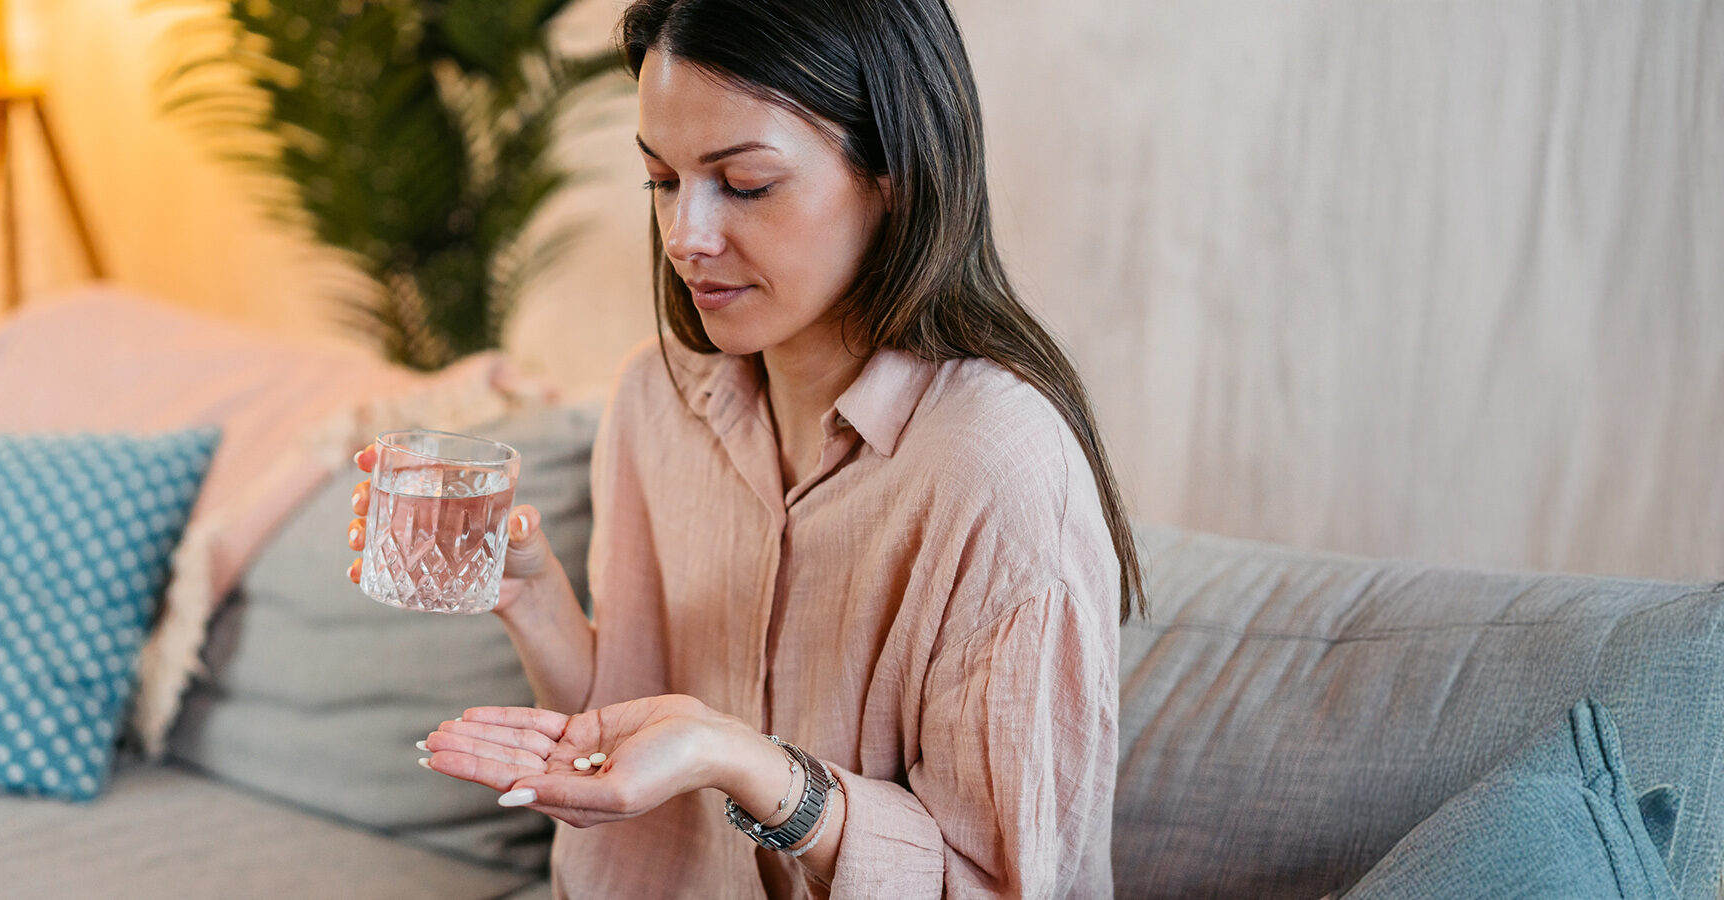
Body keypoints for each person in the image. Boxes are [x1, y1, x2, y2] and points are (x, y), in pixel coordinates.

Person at [345, 0, 1141, 896]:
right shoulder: (657, 398)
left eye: (746, 183)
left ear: (895, 176)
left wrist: (751, 767)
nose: (685, 237)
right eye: (662, 180)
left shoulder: (998, 468)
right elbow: (612, 734)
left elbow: (995, 881)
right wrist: (531, 598)